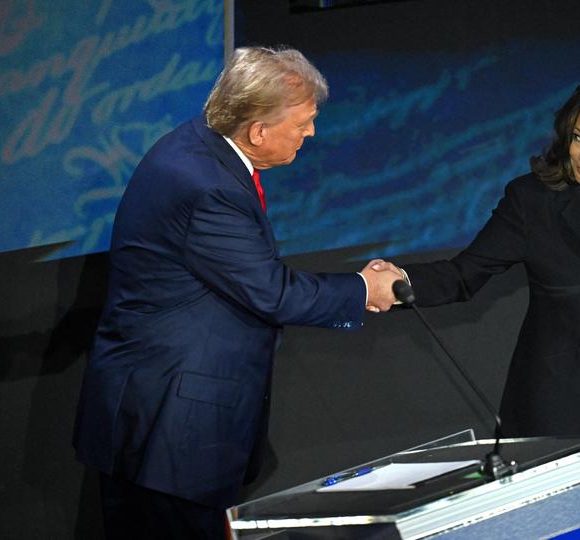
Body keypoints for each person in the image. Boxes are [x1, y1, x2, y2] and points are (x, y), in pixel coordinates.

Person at [73, 46, 402, 539]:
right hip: (171, 431)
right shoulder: (209, 188)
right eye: (303, 123)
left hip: (154, 415)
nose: (310, 133)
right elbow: (271, 291)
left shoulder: (195, 146)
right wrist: (364, 289)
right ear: (258, 131)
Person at [371, 74, 580, 538]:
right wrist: (399, 283)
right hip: (560, 416)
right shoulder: (532, 199)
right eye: (577, 138)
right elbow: (464, 273)